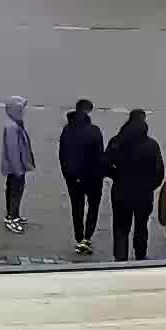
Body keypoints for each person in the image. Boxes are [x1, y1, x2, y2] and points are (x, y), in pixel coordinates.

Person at [106, 109, 164, 261]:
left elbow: (104, 165)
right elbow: (159, 173)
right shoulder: (152, 145)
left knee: (120, 228)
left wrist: (116, 176)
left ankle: (120, 258)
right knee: (141, 227)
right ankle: (140, 255)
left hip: (121, 193)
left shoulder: (116, 142)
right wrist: (149, 186)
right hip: (143, 195)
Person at [58, 98, 106, 253]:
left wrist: (67, 174)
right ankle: (87, 237)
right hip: (92, 178)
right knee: (93, 206)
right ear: (88, 112)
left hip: (72, 177)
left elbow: (62, 155)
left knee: (76, 207)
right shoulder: (94, 131)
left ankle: (79, 237)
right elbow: (99, 157)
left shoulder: (67, 130)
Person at [0, 96, 35, 233]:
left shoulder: (15, 123)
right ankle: (11, 217)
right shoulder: (12, 127)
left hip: (19, 166)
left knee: (15, 190)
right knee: (15, 191)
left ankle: (14, 214)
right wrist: (17, 169)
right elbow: (12, 149)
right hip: (16, 168)